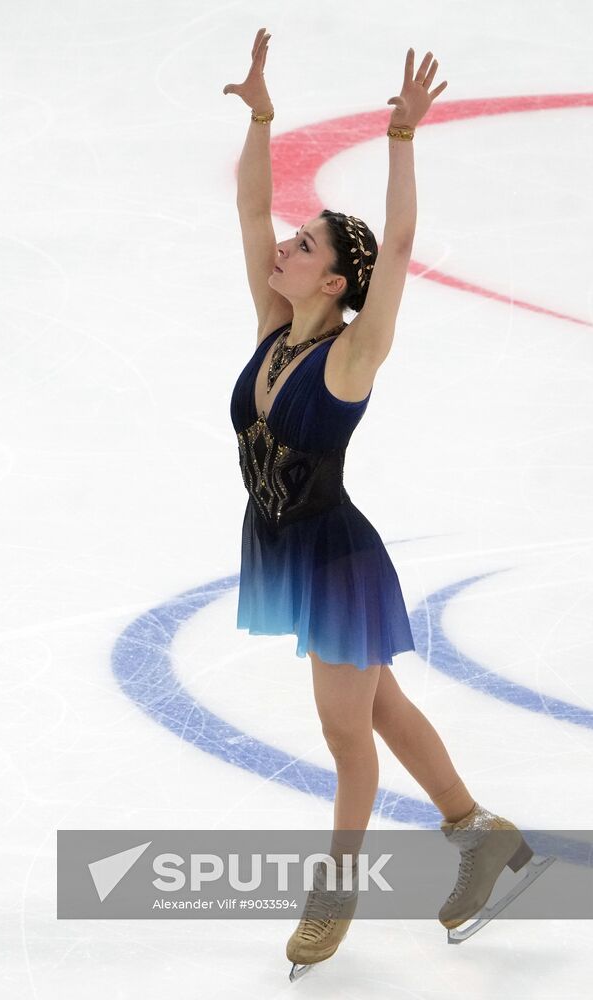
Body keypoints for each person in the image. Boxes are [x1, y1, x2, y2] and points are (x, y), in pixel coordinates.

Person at [223, 30, 551, 981]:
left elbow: (397, 247)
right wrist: (260, 117)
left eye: (303, 245)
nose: (282, 244)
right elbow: (249, 208)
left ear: (334, 282)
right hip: (285, 542)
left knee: (344, 734)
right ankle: (476, 832)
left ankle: (335, 896)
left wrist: (402, 138)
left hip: (333, 560)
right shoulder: (274, 328)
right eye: (291, 238)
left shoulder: (350, 356)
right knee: (381, 708)